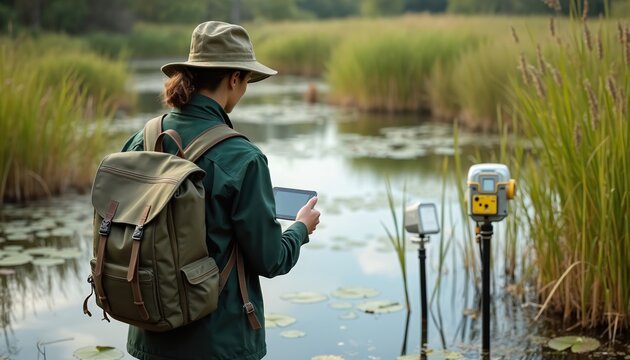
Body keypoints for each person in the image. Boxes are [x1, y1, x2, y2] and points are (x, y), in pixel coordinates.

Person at [121, 21, 321, 360]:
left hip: (150, 333)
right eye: (247, 81)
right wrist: (301, 228)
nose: (244, 90)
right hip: (219, 342)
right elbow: (271, 259)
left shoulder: (145, 137)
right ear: (233, 78)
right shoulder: (244, 158)